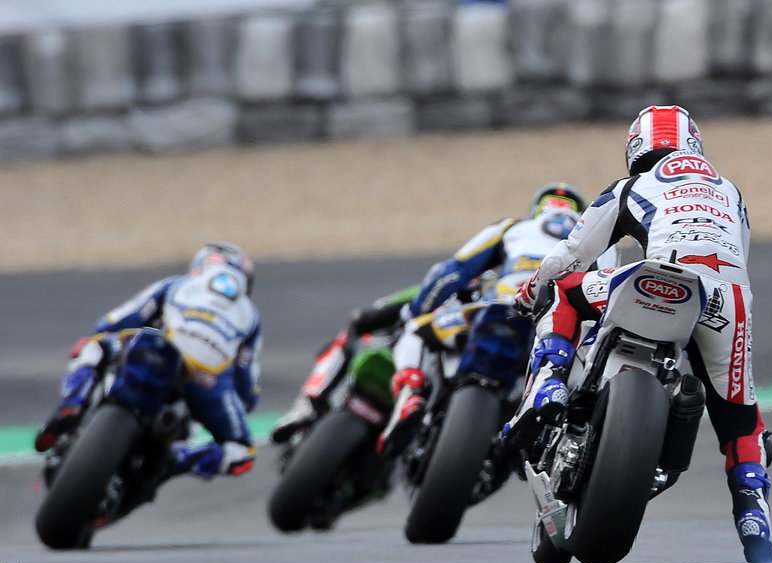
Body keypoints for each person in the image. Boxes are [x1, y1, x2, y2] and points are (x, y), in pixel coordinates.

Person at [504, 105, 772, 563]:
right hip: (725, 298)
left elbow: (572, 254)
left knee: (564, 291)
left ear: (635, 148)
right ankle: (754, 515)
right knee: (740, 416)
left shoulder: (630, 187)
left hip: (653, 275)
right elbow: (738, 255)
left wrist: (531, 289)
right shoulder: (731, 192)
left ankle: (548, 381)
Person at [377, 184, 586, 453]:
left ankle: (411, 391)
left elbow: (452, 271)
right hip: (553, 329)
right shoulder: (595, 236)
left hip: (498, 306)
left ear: (536, 210)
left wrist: (417, 311)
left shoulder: (513, 227)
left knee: (416, 330)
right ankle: (548, 431)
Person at [35, 242, 262, 479]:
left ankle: (73, 403)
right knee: (241, 453)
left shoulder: (178, 284)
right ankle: (178, 460)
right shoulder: (251, 316)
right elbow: (247, 385)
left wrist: (102, 336)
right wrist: (229, 404)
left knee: (94, 346)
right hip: (207, 381)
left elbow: (117, 321)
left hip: (158, 348)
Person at [270, 284, 421, 445]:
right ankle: (305, 407)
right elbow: (369, 314)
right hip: (391, 364)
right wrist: (376, 315)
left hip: (423, 391)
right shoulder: (443, 283)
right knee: (351, 334)